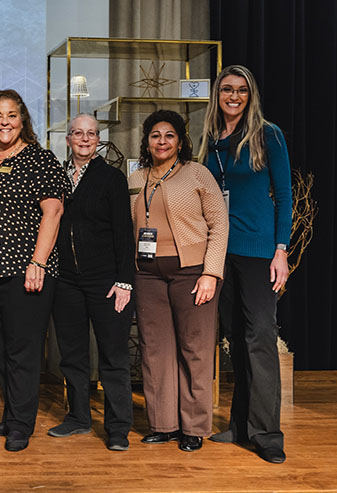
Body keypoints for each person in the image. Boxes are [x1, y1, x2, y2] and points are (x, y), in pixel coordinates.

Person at [198, 65, 292, 464]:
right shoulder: (209, 141)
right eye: (226, 90)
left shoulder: (267, 134)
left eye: (241, 91)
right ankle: (239, 424)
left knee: (259, 338)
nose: (233, 97)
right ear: (217, 95)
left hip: (258, 251)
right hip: (220, 251)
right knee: (235, 339)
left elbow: (284, 195)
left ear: (250, 96)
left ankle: (268, 434)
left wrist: (281, 250)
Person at [0, 89, 67, 452]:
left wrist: (37, 262)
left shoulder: (40, 159)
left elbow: (53, 212)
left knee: (22, 351)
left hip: (27, 270)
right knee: (1, 349)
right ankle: (11, 416)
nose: (4, 122)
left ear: (22, 119)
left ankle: (22, 424)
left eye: (11, 114)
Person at [129, 109, 228, 453]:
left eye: (169, 135)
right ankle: (163, 424)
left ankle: (194, 427)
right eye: (155, 135)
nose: (162, 141)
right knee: (155, 351)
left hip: (192, 273)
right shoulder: (136, 177)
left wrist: (211, 273)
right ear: (146, 141)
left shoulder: (197, 173)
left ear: (181, 141)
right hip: (147, 275)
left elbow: (219, 224)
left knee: (195, 351)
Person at [50, 114, 135, 452]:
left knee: (113, 356)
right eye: (78, 133)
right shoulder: (56, 177)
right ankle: (78, 417)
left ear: (98, 139)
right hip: (66, 282)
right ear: (68, 138)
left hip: (106, 282)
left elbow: (124, 235)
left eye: (91, 134)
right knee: (71, 355)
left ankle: (118, 428)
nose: (85, 139)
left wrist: (124, 281)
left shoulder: (111, 178)